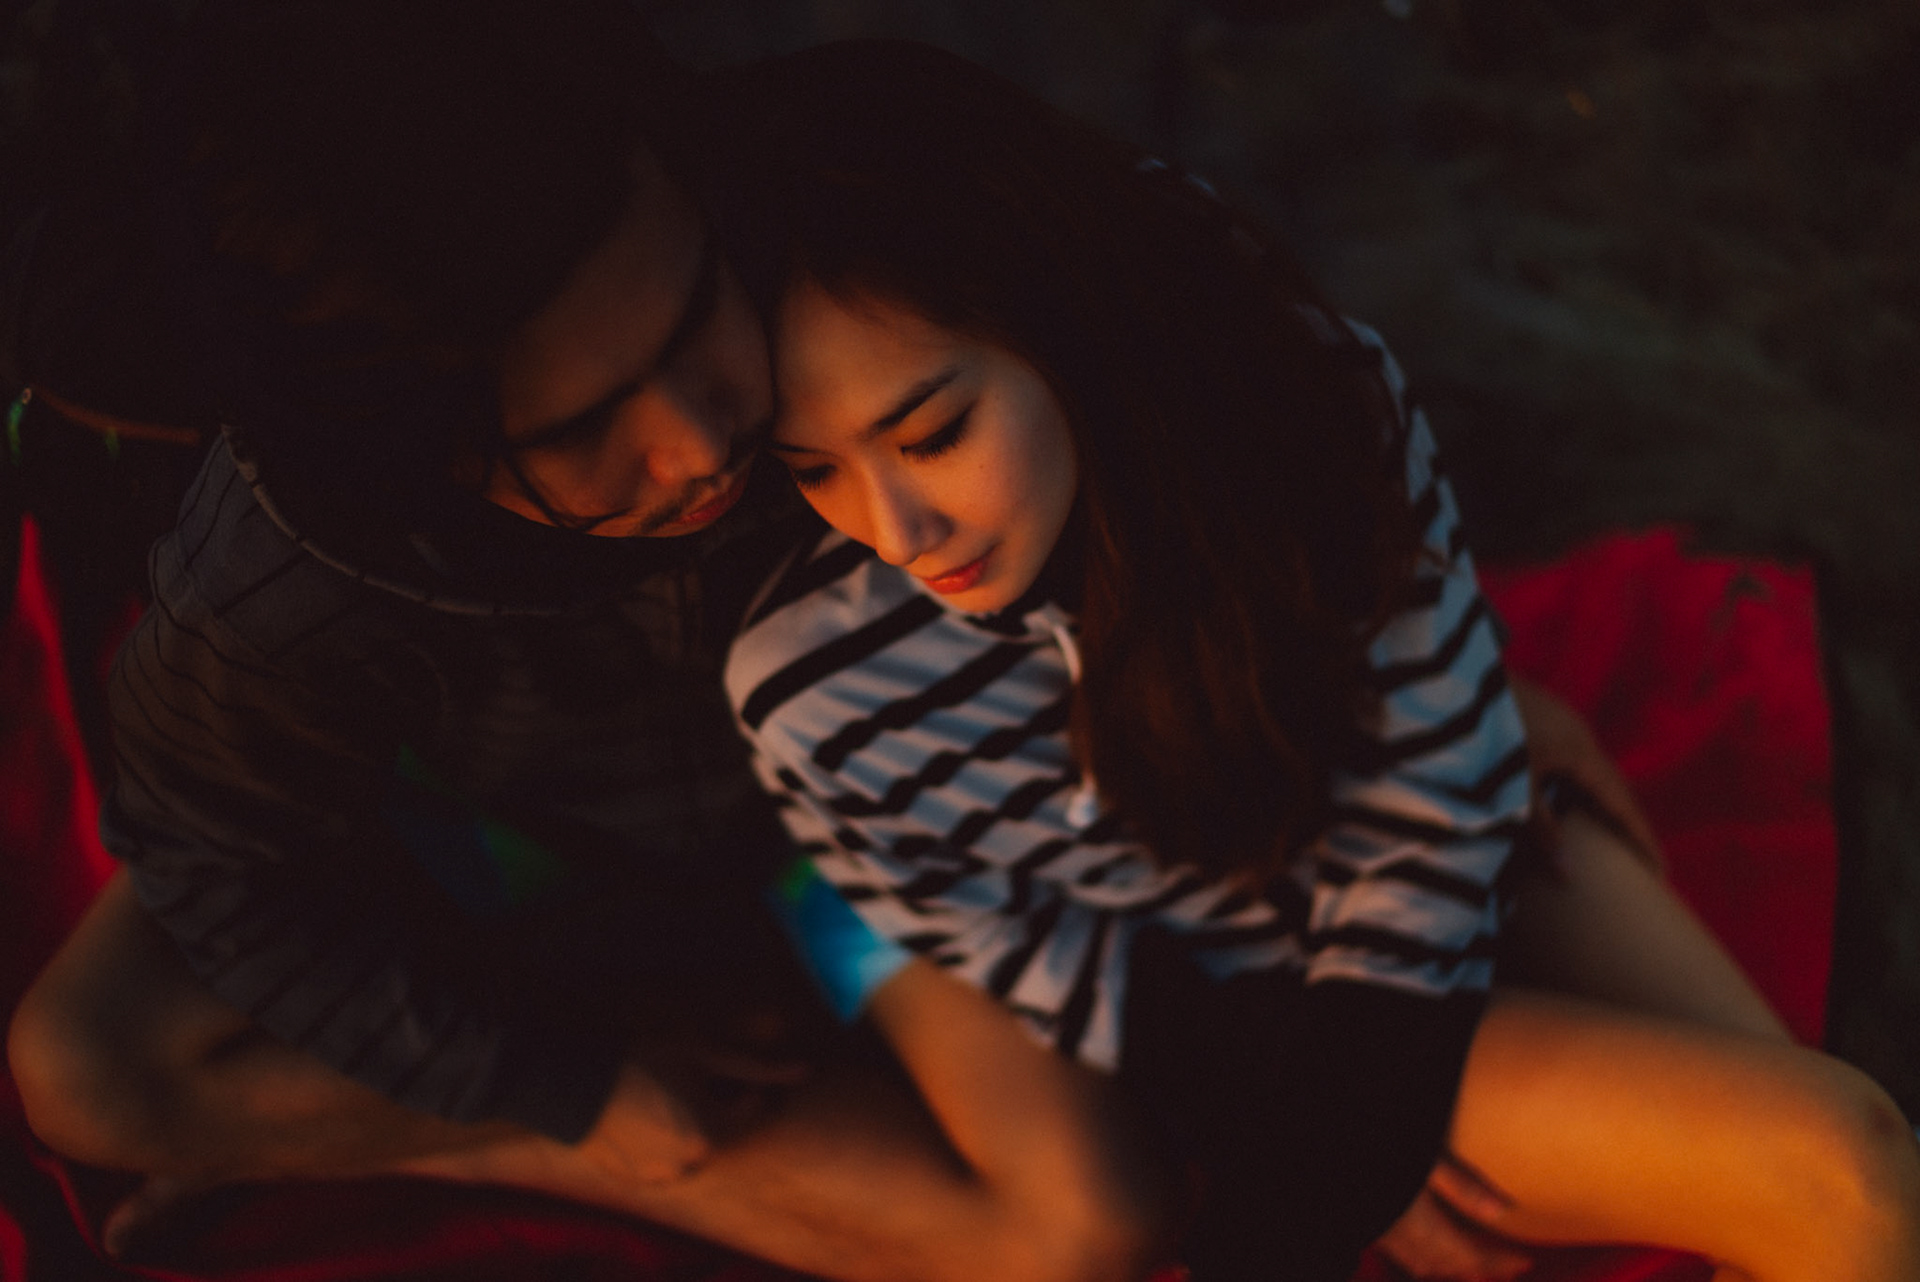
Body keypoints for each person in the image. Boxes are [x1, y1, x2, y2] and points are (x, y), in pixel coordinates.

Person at [706, 39, 1920, 1281]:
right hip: (1245, 1009)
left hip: (1426, 856)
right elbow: (1005, 941)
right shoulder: (808, 677)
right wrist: (1309, 1136)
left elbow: (1437, 795)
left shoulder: (1296, 392)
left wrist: (1356, 1130)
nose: (898, 531)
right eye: (813, 469)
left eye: (934, 431)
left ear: (1058, 320)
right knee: (1839, 1167)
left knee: (1852, 1149)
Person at [4, 8, 1179, 1280]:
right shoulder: (275, 595)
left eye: (687, 321)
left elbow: (1178, 350)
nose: (701, 445)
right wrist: (565, 1093)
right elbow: (221, 877)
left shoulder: (835, 200)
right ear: (416, 462)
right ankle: (482, 1135)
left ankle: (358, 1129)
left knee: (1091, 1223)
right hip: (498, 838)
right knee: (79, 1064)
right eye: (577, 427)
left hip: (849, 836)